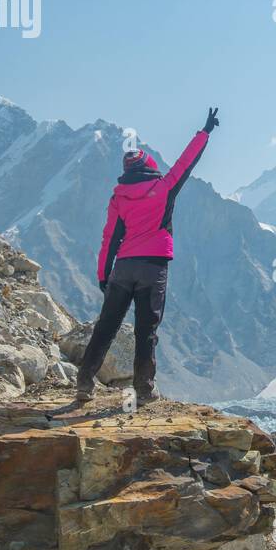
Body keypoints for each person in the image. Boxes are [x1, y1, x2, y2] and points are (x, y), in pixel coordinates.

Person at [75, 106, 219, 405]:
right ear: (149, 165)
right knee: (146, 331)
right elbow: (185, 163)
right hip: (153, 269)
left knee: (106, 326)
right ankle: (144, 389)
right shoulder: (164, 188)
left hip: (123, 269)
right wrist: (204, 133)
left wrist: (104, 275)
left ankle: (85, 382)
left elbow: (109, 239)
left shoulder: (118, 198)